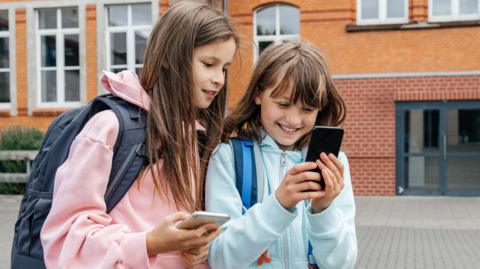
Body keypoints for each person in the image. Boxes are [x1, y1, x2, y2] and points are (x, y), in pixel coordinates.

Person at [40, 2, 239, 268]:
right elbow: (66, 241)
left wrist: (200, 248)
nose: (219, 79)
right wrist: (150, 243)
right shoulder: (109, 128)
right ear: (169, 57)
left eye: (224, 68)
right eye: (208, 64)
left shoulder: (203, 137)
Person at [205, 41, 357, 269]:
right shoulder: (228, 158)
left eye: (307, 109)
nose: (293, 120)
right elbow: (220, 259)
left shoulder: (335, 163)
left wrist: (323, 210)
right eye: (283, 104)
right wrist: (279, 205)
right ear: (258, 94)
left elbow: (342, 264)